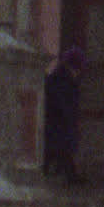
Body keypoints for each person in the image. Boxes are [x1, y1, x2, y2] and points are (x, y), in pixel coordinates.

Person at [41, 46, 84, 183]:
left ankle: (65, 174)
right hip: (60, 124)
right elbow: (66, 106)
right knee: (62, 150)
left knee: (56, 152)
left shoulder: (55, 77)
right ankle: (69, 176)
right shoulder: (66, 81)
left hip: (53, 124)